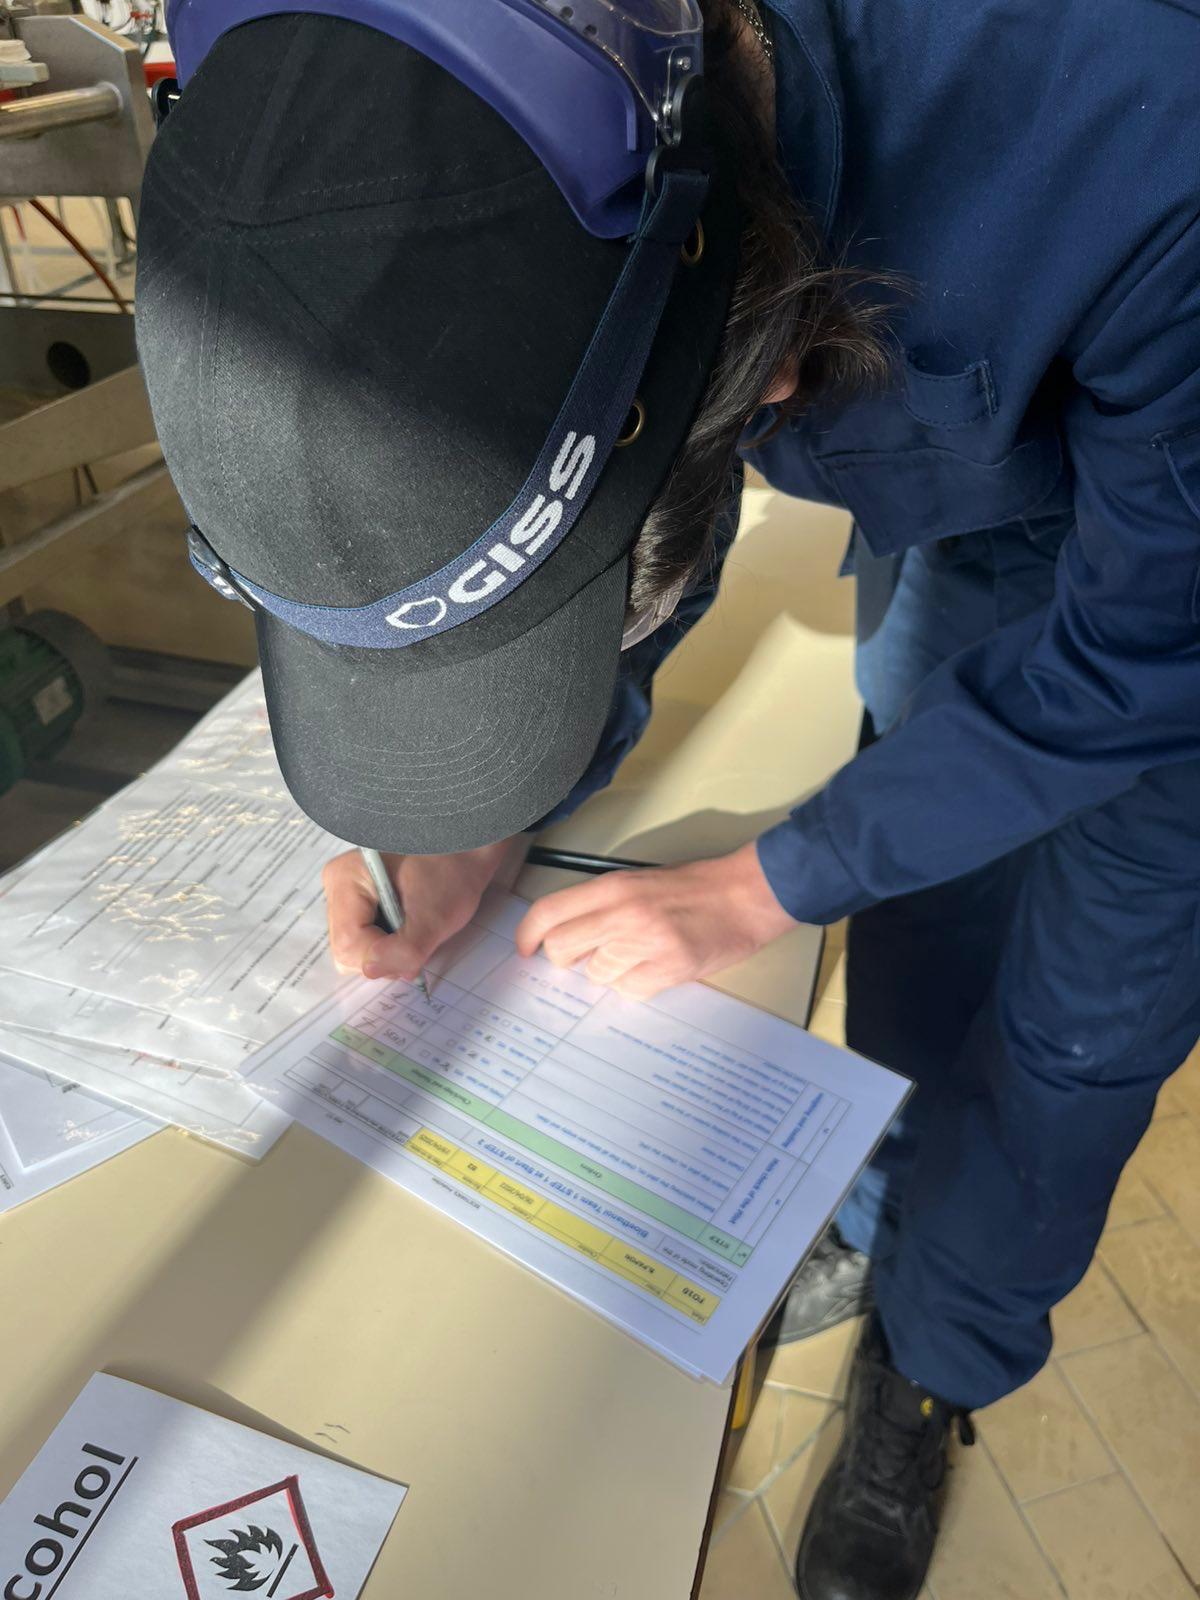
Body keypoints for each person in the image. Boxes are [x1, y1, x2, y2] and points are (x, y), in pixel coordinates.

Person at [136, 3, 1200, 1596]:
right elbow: (640, 479)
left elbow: (1145, 659)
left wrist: (765, 884)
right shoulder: (482, 138)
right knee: (916, 925)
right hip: (960, 504)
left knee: (1078, 1028)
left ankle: (935, 1364)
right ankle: (888, 1218)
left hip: (1169, 596)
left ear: (761, 333)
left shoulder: (1143, 126)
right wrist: (493, 801)